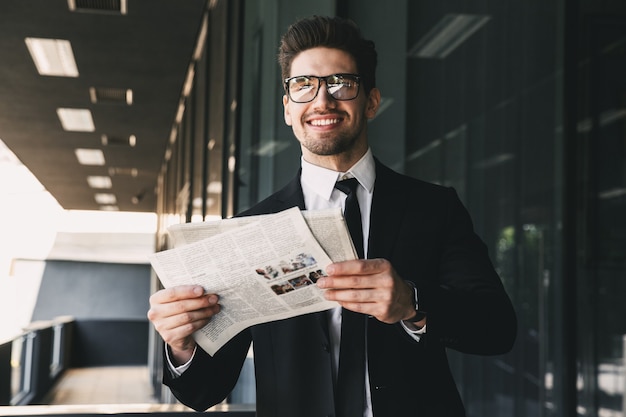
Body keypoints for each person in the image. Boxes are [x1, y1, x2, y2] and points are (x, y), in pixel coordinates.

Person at [147, 15, 517, 417]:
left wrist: (413, 302)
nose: (322, 100)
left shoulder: (434, 207)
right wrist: (181, 346)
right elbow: (204, 392)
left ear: (371, 101)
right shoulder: (252, 228)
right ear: (288, 109)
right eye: (303, 86)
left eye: (341, 83)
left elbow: (496, 328)